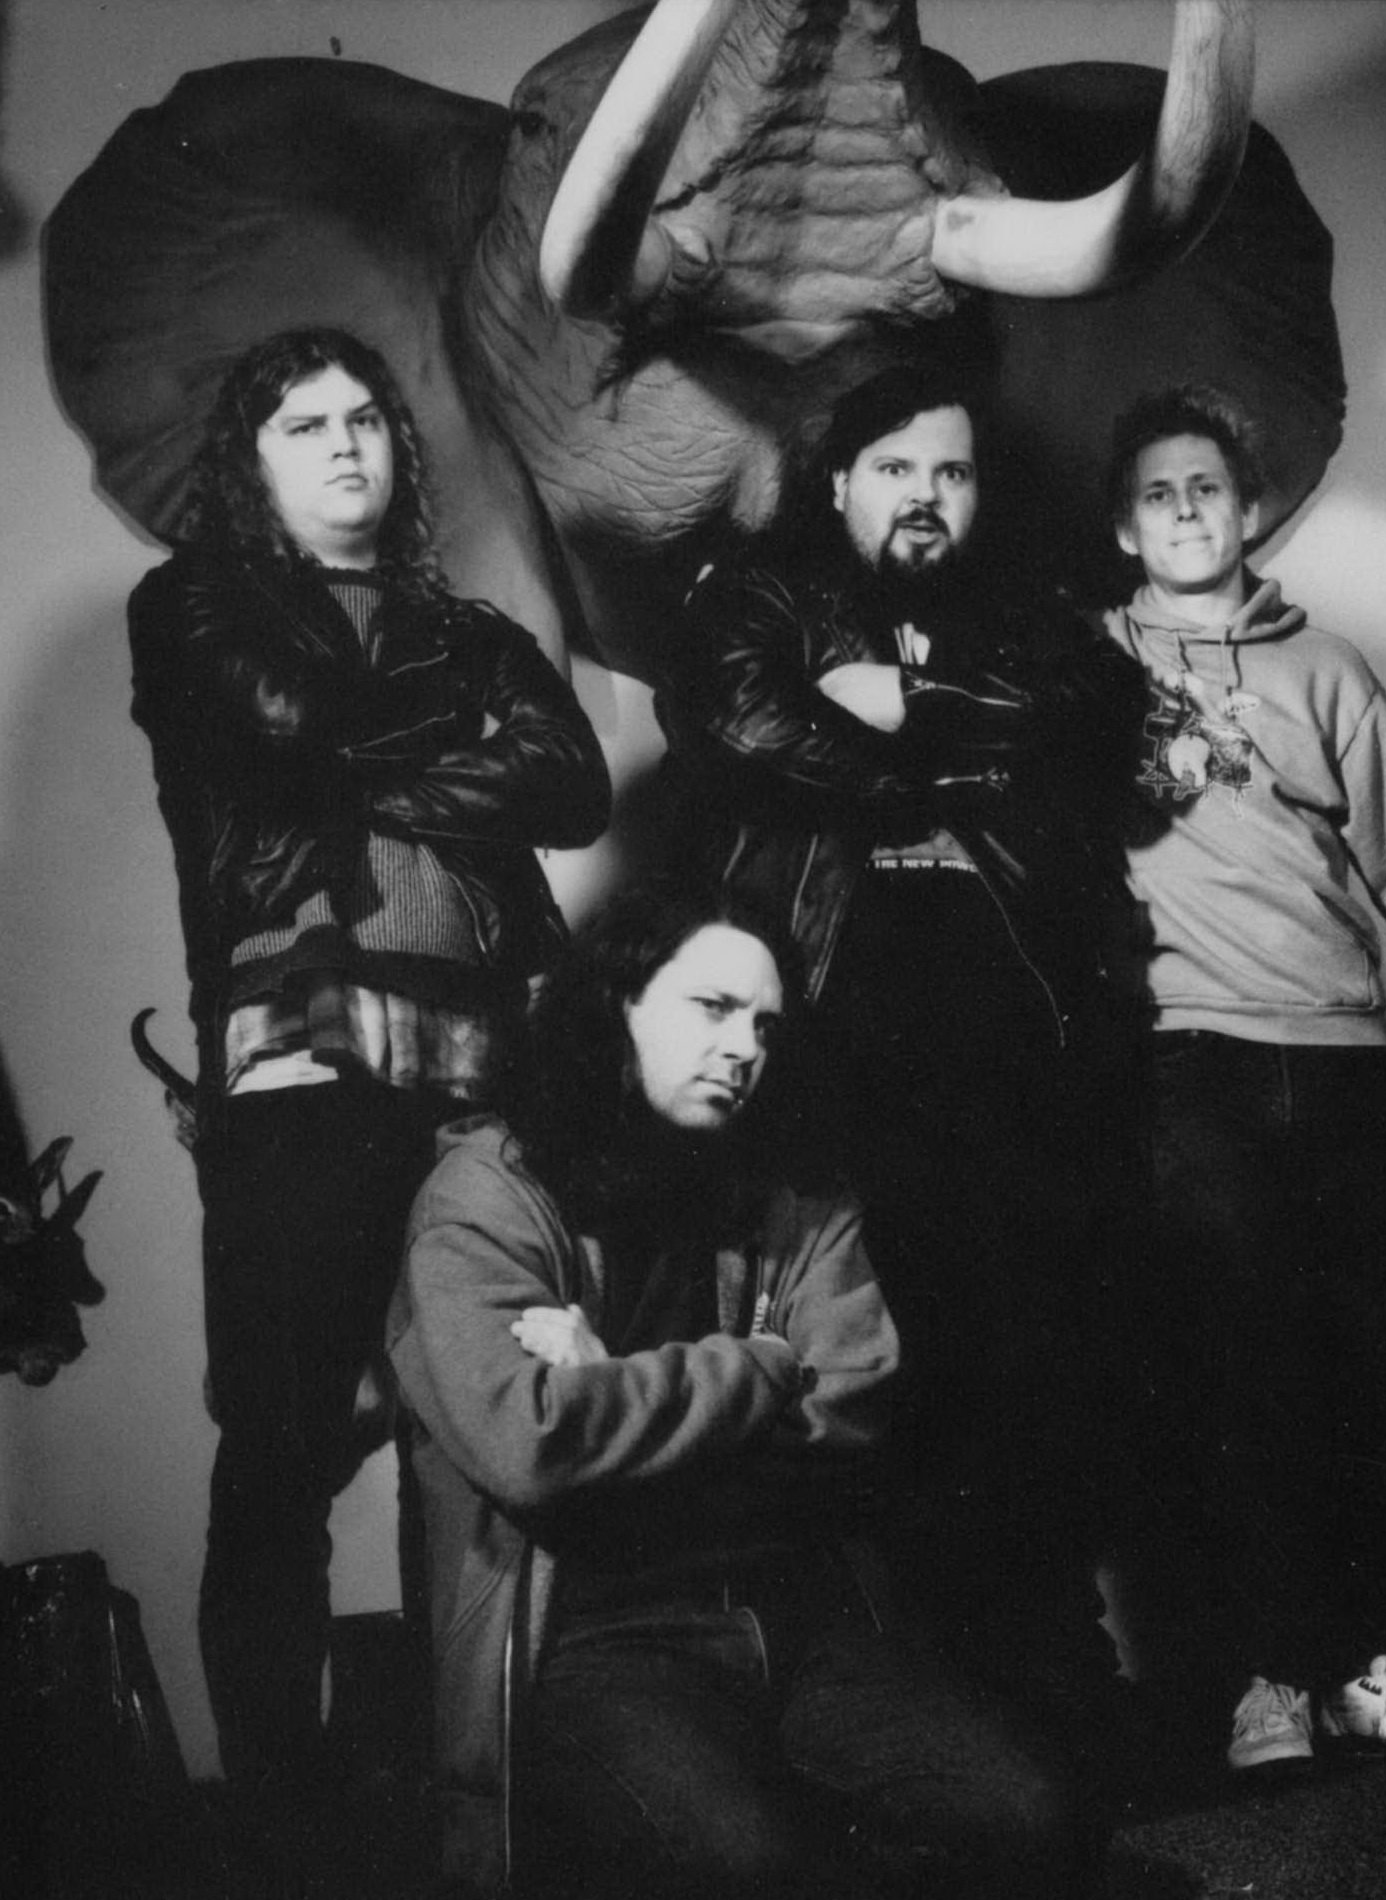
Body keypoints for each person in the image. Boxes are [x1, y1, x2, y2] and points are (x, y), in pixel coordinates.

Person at [126, 328, 610, 1848]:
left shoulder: (468, 626)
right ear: (251, 463)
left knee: (463, 1438)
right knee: (283, 1446)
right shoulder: (193, 603)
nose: (345, 444)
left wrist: (359, 763)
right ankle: (282, 1826)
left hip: (481, 1047)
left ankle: (456, 1813)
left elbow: (572, 785)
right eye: (304, 425)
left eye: (365, 420)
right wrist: (451, 742)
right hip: (303, 1034)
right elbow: (288, 722)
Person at [387, 883, 1099, 1898]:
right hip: (593, 1637)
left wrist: (613, 1393)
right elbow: (528, 1442)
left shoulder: (795, 1193)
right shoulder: (488, 1191)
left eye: (764, 1024)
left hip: (792, 1614)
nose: (743, 1049)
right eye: (713, 1007)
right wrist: (762, 1365)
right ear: (617, 1005)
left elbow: (852, 1406)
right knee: (744, 1865)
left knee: (1032, 1812)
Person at [651, 365, 1145, 1731]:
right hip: (833, 1028)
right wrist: (956, 750)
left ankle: (1057, 1699)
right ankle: (918, 1715)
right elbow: (740, 717)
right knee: (867, 1365)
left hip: (1016, 1035)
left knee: (1028, 1361)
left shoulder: (1021, 611)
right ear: (837, 483)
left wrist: (907, 694)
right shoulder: (760, 595)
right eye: (896, 470)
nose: (926, 498)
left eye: (952, 473)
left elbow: (1102, 710)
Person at [1099, 384, 1386, 1771]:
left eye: (1207, 487)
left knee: (1350, 1376)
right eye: (1157, 493)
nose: (1186, 511)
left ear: (1252, 509)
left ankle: (1361, 1664)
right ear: (1124, 525)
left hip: (1338, 1057)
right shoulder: (1090, 665)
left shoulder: (1325, 667)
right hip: (1185, 1056)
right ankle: (1263, 1679)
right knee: (1231, 1373)